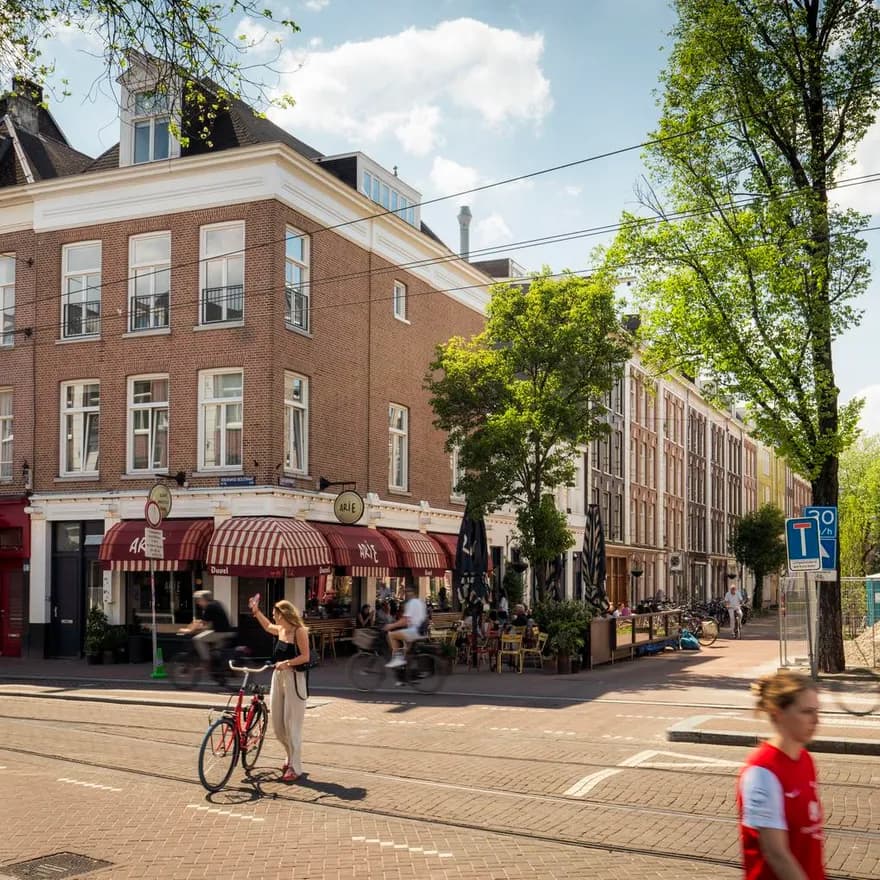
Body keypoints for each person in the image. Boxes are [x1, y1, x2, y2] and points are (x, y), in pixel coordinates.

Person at [736, 670, 824, 879]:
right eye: (806, 712)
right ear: (778, 713)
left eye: (817, 711)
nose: (816, 720)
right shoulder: (762, 772)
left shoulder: (806, 760)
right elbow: (777, 854)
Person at [248, 596, 310, 783]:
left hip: (294, 678)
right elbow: (267, 627)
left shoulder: (299, 631)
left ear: (284, 614)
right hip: (278, 676)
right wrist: (256, 611)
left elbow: (306, 656)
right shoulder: (281, 629)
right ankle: (289, 754)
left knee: (292, 725)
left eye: (276, 614)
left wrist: (288, 663)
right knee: (278, 725)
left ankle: (295, 767)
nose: (274, 618)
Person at [178, 590, 232, 666]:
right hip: (225, 631)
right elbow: (204, 621)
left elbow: (202, 623)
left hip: (220, 633)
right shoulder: (215, 603)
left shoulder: (210, 606)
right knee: (210, 645)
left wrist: (189, 630)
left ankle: (206, 661)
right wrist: (194, 625)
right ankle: (215, 663)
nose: (198, 603)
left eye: (198, 600)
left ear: (203, 599)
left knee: (197, 639)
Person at [384, 583, 427, 668]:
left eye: (409, 591)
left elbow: (405, 620)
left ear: (414, 592)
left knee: (391, 635)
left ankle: (397, 659)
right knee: (406, 652)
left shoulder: (411, 603)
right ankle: (405, 677)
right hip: (420, 631)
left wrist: (391, 626)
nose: (407, 593)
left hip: (413, 631)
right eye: (406, 591)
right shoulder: (421, 602)